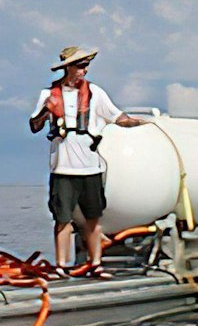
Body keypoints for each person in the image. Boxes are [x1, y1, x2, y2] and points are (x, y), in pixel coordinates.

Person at [29, 47, 145, 274]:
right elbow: (34, 126)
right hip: (62, 169)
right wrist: (46, 111)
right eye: (80, 65)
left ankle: (95, 264)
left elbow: (118, 117)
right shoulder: (48, 94)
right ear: (68, 68)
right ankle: (62, 265)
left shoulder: (95, 93)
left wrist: (138, 124)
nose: (84, 70)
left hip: (91, 167)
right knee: (62, 219)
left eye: (86, 65)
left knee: (93, 219)